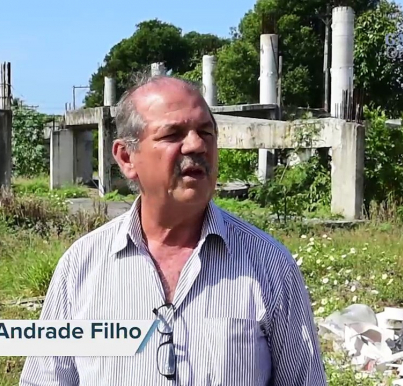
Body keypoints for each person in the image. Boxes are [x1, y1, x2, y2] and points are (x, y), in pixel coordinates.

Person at [19, 73, 327, 386]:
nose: (196, 145)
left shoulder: (270, 266)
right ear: (127, 158)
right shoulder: (81, 268)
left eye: (206, 132)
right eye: (173, 134)